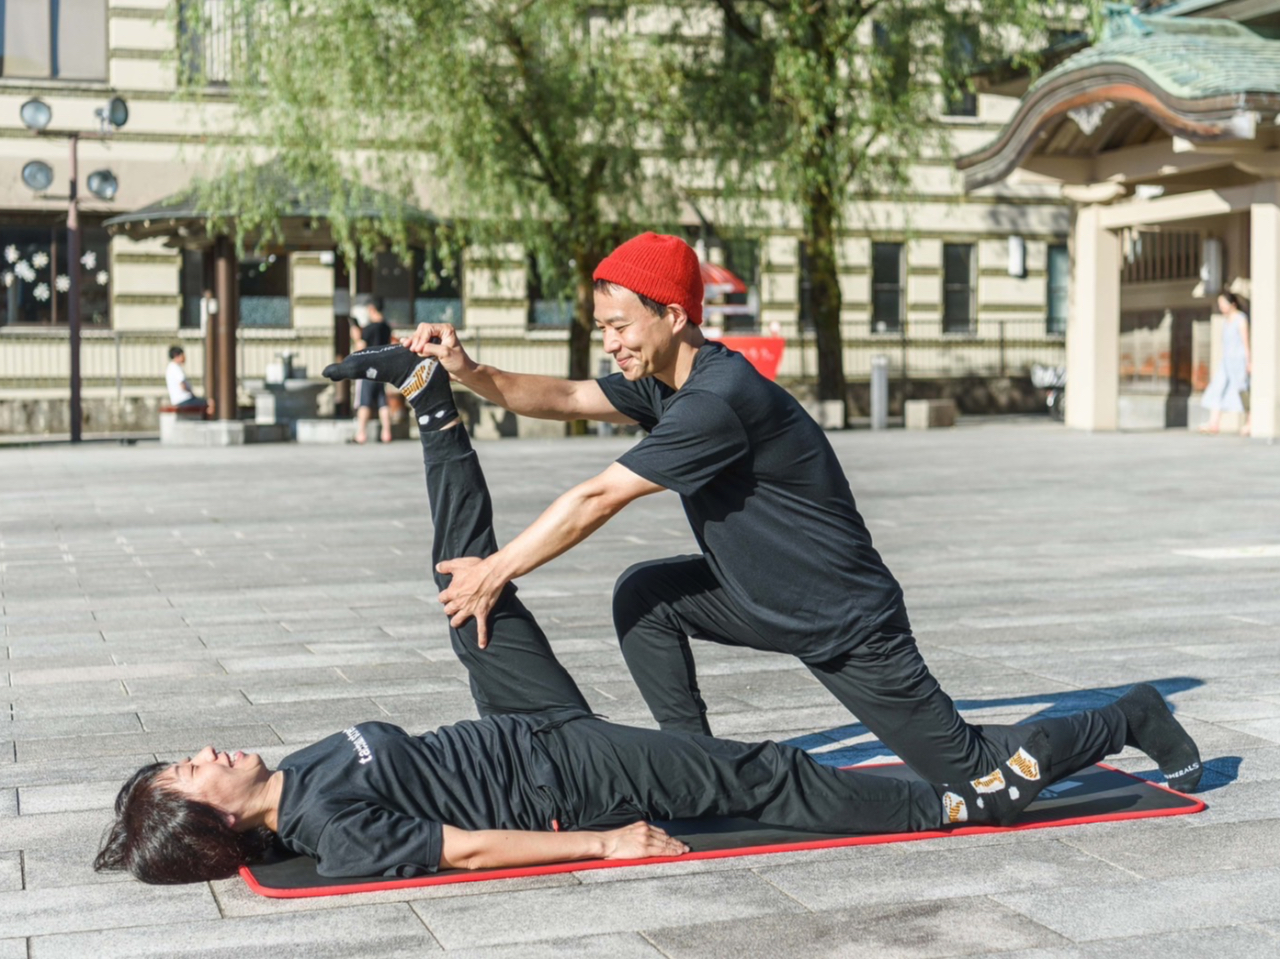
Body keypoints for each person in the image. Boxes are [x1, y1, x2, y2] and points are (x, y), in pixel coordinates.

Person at [94, 357, 1094, 885]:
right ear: (218, 817)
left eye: (187, 755)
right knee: (769, 774)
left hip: (513, 722)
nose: (207, 750)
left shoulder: (296, 778)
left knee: (466, 588)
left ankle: (432, 406)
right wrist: (603, 845)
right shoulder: (328, 828)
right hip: (562, 776)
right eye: (192, 769)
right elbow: (466, 849)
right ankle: (944, 807)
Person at [389, 232, 1204, 796]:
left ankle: (1130, 714)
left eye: (619, 325)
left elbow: (599, 495)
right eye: (602, 327)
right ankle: (700, 765)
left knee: (979, 781)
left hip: (845, 621)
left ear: (674, 314)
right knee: (647, 598)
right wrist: (469, 369)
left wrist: (497, 570)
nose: (609, 342)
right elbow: (567, 396)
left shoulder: (717, 399)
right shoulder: (665, 382)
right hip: (760, 597)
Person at [1200, 292, 1252, 437]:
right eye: (1220, 304)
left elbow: (1245, 342)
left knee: (1243, 391)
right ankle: (1214, 423)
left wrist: (1248, 362)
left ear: (1232, 304)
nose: (1221, 306)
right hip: (1226, 361)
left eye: (1223, 303)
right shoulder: (1225, 321)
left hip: (1239, 361)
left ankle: (1250, 422)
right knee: (1217, 387)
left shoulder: (1241, 319)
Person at [350, 294, 395, 444]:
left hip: (369, 368)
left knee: (365, 401)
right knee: (382, 400)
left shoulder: (369, 328)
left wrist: (356, 337)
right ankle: (386, 433)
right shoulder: (386, 327)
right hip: (382, 367)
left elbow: (361, 347)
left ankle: (361, 434)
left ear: (371, 308)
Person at [164, 346, 206, 412]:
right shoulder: (176, 368)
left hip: (177, 400)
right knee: (209, 403)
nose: (185, 357)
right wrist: (191, 392)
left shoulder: (170, 367)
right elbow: (183, 386)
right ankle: (206, 419)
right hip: (183, 399)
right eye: (183, 355)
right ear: (177, 355)